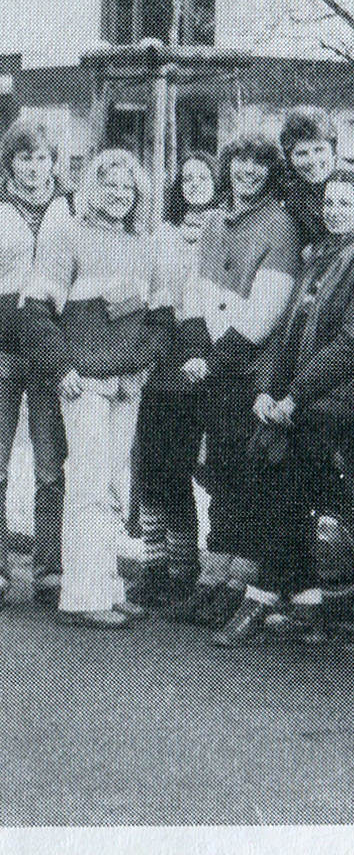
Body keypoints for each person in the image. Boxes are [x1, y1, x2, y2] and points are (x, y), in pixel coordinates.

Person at [211, 169, 354, 646]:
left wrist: (294, 398)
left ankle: (258, 600)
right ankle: (310, 606)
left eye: (345, 204)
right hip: (299, 393)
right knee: (285, 487)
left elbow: (350, 345)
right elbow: (289, 334)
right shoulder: (316, 257)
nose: (333, 212)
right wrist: (269, 391)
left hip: (336, 398)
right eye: (329, 203)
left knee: (284, 485)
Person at [23, 149, 169, 628]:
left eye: (129, 189)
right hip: (82, 380)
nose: (120, 196)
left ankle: (109, 583)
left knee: (113, 485)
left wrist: (141, 367)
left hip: (127, 382)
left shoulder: (144, 242)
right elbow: (36, 308)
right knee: (87, 484)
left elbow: (157, 318)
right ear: (92, 188)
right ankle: (84, 595)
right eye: (110, 186)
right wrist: (61, 367)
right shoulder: (67, 234)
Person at [167, 134, 300, 628]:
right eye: (240, 162)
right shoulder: (217, 220)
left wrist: (211, 362)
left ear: (270, 171)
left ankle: (238, 583)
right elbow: (195, 295)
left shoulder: (279, 225)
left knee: (245, 480)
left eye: (258, 164)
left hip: (248, 372)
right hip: (215, 369)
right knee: (220, 475)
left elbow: (266, 315)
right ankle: (212, 578)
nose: (248, 172)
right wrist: (196, 350)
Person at [130, 153, 219, 607]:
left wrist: (201, 353)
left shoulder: (223, 229)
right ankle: (152, 565)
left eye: (203, 176)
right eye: (186, 178)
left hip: (202, 360)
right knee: (153, 464)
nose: (194, 184)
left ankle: (185, 568)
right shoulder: (162, 233)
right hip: (161, 360)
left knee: (181, 467)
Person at [0, 119, 70, 606]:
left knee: (50, 466)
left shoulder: (71, 208)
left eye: (42, 157)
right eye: (24, 157)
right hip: (4, 348)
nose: (33, 167)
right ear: (10, 163)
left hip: (49, 348)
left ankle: (48, 568)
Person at [279, 106, 339, 252]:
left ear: (332, 151)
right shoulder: (293, 195)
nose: (312, 161)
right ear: (290, 159)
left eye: (319, 150)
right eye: (301, 153)